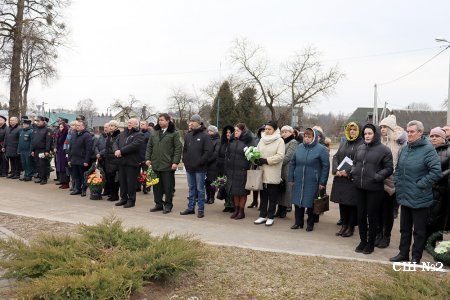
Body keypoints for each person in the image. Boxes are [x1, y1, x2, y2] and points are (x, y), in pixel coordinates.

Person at [390, 121, 441, 264]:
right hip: (405, 195)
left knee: (418, 231)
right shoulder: (405, 149)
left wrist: (420, 184)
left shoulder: (428, 150)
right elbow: (398, 169)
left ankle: (416, 257)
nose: (409, 134)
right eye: (408, 131)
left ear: (420, 133)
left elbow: (436, 172)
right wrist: (397, 183)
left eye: (412, 131)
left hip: (420, 197)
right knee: (404, 229)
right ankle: (403, 254)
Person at [352, 124, 393, 255]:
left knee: (372, 216)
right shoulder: (360, 148)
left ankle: (370, 243)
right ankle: (362, 241)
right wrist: (354, 172)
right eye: (365, 134)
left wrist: (376, 177)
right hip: (360, 187)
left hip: (375, 189)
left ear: (375, 135)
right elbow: (354, 163)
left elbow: (389, 168)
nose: (367, 136)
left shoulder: (384, 150)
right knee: (361, 216)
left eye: (370, 133)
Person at [288, 128, 329, 232]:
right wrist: (291, 178)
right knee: (298, 201)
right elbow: (292, 163)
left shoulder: (321, 149)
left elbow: (326, 166)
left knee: (311, 203)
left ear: (314, 138)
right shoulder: (299, 147)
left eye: (309, 137)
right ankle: (298, 222)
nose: (306, 139)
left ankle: (310, 224)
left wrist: (322, 182)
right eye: (305, 136)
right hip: (298, 179)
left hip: (313, 181)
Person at [376, 114, 406, 248]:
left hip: (392, 180)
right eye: (381, 126)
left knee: (388, 212)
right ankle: (378, 233)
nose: (382, 129)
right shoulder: (380, 142)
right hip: (379, 180)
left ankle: (386, 235)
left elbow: (401, 163)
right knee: (378, 210)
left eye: (385, 126)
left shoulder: (399, 144)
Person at [330, 122, 363, 238]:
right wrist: (336, 169)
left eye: (354, 129)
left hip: (352, 179)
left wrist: (347, 171)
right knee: (342, 203)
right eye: (350, 129)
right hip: (340, 179)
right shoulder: (344, 143)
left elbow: (359, 161)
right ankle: (344, 225)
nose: (352, 131)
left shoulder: (362, 144)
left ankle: (350, 227)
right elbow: (336, 157)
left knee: (352, 204)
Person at [146, 113, 182, 214]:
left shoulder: (174, 133)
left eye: (162, 120)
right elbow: (149, 146)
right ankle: (158, 204)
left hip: (168, 165)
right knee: (156, 186)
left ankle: (168, 205)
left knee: (168, 187)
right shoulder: (154, 132)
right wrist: (147, 158)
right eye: (159, 120)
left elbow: (178, 149)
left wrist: (175, 162)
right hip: (155, 164)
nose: (160, 122)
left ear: (168, 121)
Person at [180, 115, 212, 218]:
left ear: (199, 122)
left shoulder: (205, 136)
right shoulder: (188, 135)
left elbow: (208, 152)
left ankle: (201, 210)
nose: (191, 123)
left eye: (193, 121)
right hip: (189, 168)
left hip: (200, 168)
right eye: (190, 121)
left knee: (200, 189)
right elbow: (184, 150)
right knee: (191, 188)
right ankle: (190, 208)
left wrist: (199, 162)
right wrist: (185, 160)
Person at [253, 121, 285, 226]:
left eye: (269, 129)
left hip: (273, 172)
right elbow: (256, 151)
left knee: (272, 196)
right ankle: (262, 215)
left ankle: (270, 216)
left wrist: (266, 160)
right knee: (263, 195)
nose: (266, 131)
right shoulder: (262, 139)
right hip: (262, 171)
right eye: (266, 129)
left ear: (275, 130)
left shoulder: (280, 141)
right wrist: (255, 159)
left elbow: (280, 156)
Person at [225, 123, 256, 220]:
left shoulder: (249, 141)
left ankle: (241, 212)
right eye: (235, 130)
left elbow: (253, 155)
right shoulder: (233, 140)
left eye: (237, 131)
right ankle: (236, 210)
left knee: (242, 193)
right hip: (232, 170)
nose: (235, 132)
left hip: (243, 171)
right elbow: (228, 153)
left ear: (243, 131)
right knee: (234, 192)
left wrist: (246, 165)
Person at [113, 118, 144, 208]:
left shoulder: (139, 135)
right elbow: (115, 142)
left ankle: (131, 200)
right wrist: (116, 151)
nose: (129, 124)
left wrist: (121, 151)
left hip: (132, 162)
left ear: (136, 124)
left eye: (131, 123)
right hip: (121, 161)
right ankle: (123, 198)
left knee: (131, 183)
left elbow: (134, 145)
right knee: (122, 182)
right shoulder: (123, 134)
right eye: (128, 123)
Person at [427, 127, 450, 234]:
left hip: (440, 188)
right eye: (432, 136)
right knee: (423, 217)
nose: (434, 138)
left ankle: (434, 242)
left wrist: (436, 177)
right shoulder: (425, 149)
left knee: (437, 217)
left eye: (437, 136)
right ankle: (422, 242)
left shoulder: (448, 150)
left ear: (443, 138)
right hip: (425, 188)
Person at [276, 125, 298, 218]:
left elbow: (289, 156)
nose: (284, 134)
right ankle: (279, 208)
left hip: (287, 169)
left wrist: (277, 163)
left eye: (286, 132)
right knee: (280, 189)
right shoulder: (281, 141)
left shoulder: (293, 142)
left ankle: (284, 209)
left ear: (291, 133)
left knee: (286, 190)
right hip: (279, 169)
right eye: (283, 132)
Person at [68, 120, 93, 196]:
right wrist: (69, 159)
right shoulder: (74, 134)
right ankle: (77, 189)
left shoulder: (87, 135)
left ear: (83, 126)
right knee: (76, 176)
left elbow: (89, 149)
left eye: (79, 125)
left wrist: (86, 161)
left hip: (82, 160)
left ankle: (84, 190)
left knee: (83, 176)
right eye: (76, 125)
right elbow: (71, 148)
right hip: (74, 159)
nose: (77, 127)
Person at [216, 125, 235, 212]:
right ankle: (227, 204)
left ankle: (232, 205)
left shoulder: (234, 143)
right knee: (224, 188)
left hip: (231, 170)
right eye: (226, 132)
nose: (228, 134)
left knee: (231, 188)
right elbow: (219, 155)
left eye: (230, 132)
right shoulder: (222, 143)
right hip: (222, 169)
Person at [31, 116, 53, 185]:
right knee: (38, 164)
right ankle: (40, 177)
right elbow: (33, 141)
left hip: (43, 150)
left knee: (43, 164)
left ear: (43, 121)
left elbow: (48, 141)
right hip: (36, 150)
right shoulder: (35, 129)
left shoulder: (47, 130)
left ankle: (44, 178)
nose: (37, 122)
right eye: (36, 121)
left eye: (39, 121)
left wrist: (47, 151)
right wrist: (32, 150)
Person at [247, 126, 265, 209]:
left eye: (264, 131)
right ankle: (254, 201)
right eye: (261, 131)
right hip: (255, 164)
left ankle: (262, 203)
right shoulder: (256, 140)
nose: (263, 132)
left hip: (263, 164)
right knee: (254, 183)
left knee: (261, 185)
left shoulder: (266, 141)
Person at [103, 120, 121, 201]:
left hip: (115, 160)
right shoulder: (109, 136)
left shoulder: (119, 136)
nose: (110, 127)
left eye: (112, 126)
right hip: (108, 160)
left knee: (115, 179)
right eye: (109, 126)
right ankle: (111, 194)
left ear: (116, 127)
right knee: (109, 178)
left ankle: (115, 195)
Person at [205, 125, 220, 204]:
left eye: (210, 131)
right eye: (208, 131)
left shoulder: (218, 141)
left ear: (214, 132)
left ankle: (212, 197)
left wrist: (208, 160)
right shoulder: (207, 139)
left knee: (212, 182)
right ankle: (207, 196)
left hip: (213, 164)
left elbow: (216, 153)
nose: (209, 132)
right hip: (206, 164)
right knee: (206, 181)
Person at [95, 122, 109, 195]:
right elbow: (96, 146)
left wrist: (100, 153)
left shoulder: (110, 137)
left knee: (106, 175)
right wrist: (97, 153)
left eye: (107, 127)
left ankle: (107, 190)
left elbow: (108, 148)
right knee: (99, 174)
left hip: (106, 158)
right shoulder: (100, 136)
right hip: (99, 158)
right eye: (104, 127)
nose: (105, 129)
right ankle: (100, 189)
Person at [55, 122, 70, 189]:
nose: (60, 128)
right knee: (60, 166)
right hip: (59, 151)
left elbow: (65, 142)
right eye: (60, 127)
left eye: (62, 127)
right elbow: (56, 141)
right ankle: (62, 181)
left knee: (64, 167)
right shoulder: (59, 133)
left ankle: (66, 183)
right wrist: (55, 147)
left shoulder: (66, 133)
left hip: (64, 151)